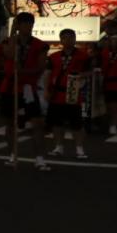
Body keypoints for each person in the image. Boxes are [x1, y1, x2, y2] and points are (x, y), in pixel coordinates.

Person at [0, 12, 50, 170]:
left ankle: (40, 158)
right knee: (10, 123)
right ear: (18, 26)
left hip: (28, 87)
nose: (29, 27)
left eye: (31, 24)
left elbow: (41, 67)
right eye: (25, 24)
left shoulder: (39, 45)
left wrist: (23, 72)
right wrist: (13, 33)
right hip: (10, 87)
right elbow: (8, 54)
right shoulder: (9, 41)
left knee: (37, 123)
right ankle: (12, 154)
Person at [45, 28, 90, 160]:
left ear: (75, 39)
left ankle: (79, 149)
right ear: (61, 40)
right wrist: (47, 90)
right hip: (57, 93)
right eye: (65, 38)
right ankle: (59, 147)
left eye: (71, 37)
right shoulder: (53, 57)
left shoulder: (83, 56)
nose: (68, 40)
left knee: (76, 123)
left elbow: (90, 72)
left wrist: (80, 75)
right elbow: (48, 74)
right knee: (57, 123)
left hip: (73, 93)